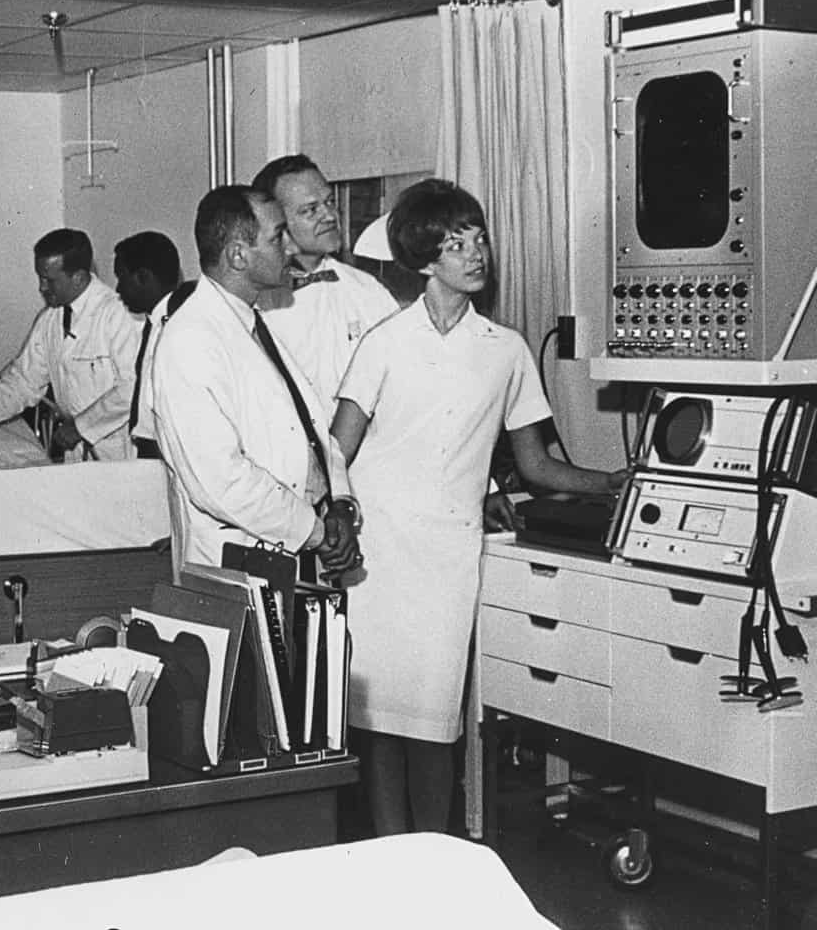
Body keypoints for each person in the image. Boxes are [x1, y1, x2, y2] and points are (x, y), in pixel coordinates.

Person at [329, 179, 627, 838]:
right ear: (424, 258)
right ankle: (387, 856)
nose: (476, 252)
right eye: (455, 242)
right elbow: (335, 449)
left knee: (437, 722)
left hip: (448, 557)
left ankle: (433, 860)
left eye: (479, 236)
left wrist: (610, 481)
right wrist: (339, 515)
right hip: (378, 557)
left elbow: (537, 463)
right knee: (377, 722)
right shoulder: (384, 342)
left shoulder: (507, 348)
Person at [151, 185, 361, 576]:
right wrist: (314, 532)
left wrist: (341, 505)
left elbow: (311, 432)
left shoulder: (253, 324)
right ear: (237, 255)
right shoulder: (190, 340)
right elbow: (219, 481)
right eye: (278, 237)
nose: (292, 248)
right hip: (239, 561)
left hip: (290, 548)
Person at [0, 228, 140, 462]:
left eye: (49, 280)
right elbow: (24, 382)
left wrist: (81, 427)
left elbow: (132, 388)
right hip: (77, 452)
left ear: (78, 278)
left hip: (117, 448)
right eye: (40, 278)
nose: (41, 288)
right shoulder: (50, 320)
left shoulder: (118, 315)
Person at [253, 156, 399, 401]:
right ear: (276, 222)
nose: (330, 216)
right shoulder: (255, 304)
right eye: (310, 210)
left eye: (330, 202)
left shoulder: (367, 290)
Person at [112, 230, 186, 461]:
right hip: (149, 452)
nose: (117, 289)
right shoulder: (152, 323)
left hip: (165, 454)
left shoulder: (177, 327)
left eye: (121, 278)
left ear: (143, 277)